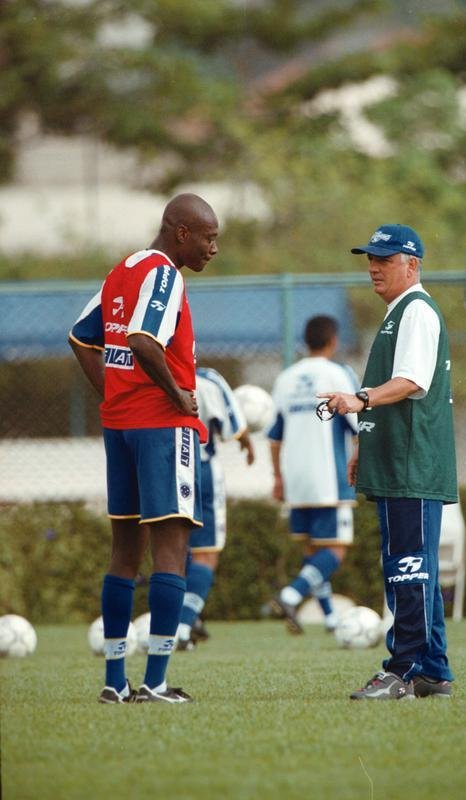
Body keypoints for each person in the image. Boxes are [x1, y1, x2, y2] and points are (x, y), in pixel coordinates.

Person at [68, 193, 219, 704]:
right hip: (161, 427)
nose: (213, 249)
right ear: (181, 232)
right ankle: (154, 682)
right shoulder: (163, 273)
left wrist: (113, 395)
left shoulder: (121, 270)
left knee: (124, 552)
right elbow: (142, 339)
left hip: (121, 427)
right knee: (172, 550)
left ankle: (114, 682)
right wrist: (178, 396)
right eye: (209, 237)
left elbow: (80, 336)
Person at [319, 223, 458, 701]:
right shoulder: (399, 312)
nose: (373, 267)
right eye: (370, 258)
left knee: (409, 569)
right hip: (397, 458)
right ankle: (432, 671)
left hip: (412, 462)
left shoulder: (416, 310)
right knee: (414, 568)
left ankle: (403, 668)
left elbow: (412, 382)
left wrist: (359, 399)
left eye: (385, 258)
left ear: (412, 265)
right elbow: (395, 389)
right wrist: (365, 443)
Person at [268, 315, 359, 634]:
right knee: (334, 550)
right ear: (333, 340)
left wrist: (278, 477)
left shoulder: (286, 378)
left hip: (296, 478)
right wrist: (359, 458)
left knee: (313, 553)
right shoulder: (339, 374)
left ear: (305, 342)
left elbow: (275, 435)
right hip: (329, 476)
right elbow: (358, 422)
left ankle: (331, 618)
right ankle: (290, 594)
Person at [176, 366, 254, 651]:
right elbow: (236, 427)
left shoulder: (148, 375)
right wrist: (247, 442)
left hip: (163, 470)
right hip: (202, 470)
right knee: (206, 554)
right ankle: (182, 629)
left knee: (172, 550)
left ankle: (174, 621)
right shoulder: (208, 379)